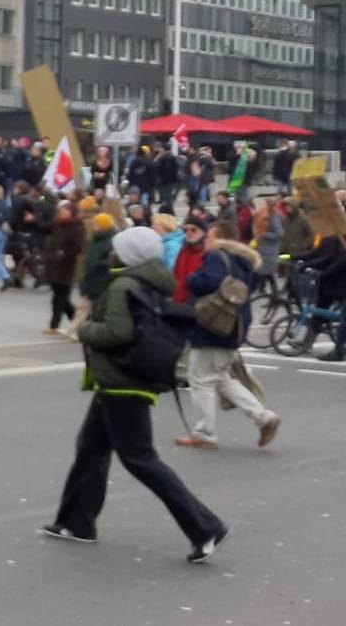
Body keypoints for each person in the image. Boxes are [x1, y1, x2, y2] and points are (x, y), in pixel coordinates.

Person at [44, 226, 230, 562]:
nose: (113, 253)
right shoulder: (148, 281)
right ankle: (76, 522)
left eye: (118, 248)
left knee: (140, 459)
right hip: (121, 380)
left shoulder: (124, 284)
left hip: (122, 382)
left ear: (128, 254)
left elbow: (117, 332)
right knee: (90, 449)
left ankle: (205, 527)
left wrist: (85, 329)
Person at [173, 220, 281, 450]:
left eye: (210, 237)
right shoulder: (243, 261)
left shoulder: (216, 257)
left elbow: (210, 282)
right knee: (221, 378)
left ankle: (205, 433)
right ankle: (263, 417)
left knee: (200, 379)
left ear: (220, 239)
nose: (206, 241)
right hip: (234, 326)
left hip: (213, 325)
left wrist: (192, 278)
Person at [43, 205, 86, 335]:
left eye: (65, 211)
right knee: (62, 298)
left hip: (66, 266)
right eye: (60, 211)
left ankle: (54, 324)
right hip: (53, 264)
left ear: (72, 213)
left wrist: (64, 254)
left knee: (58, 298)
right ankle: (76, 320)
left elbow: (77, 247)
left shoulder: (77, 227)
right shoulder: (57, 224)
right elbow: (43, 228)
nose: (61, 213)